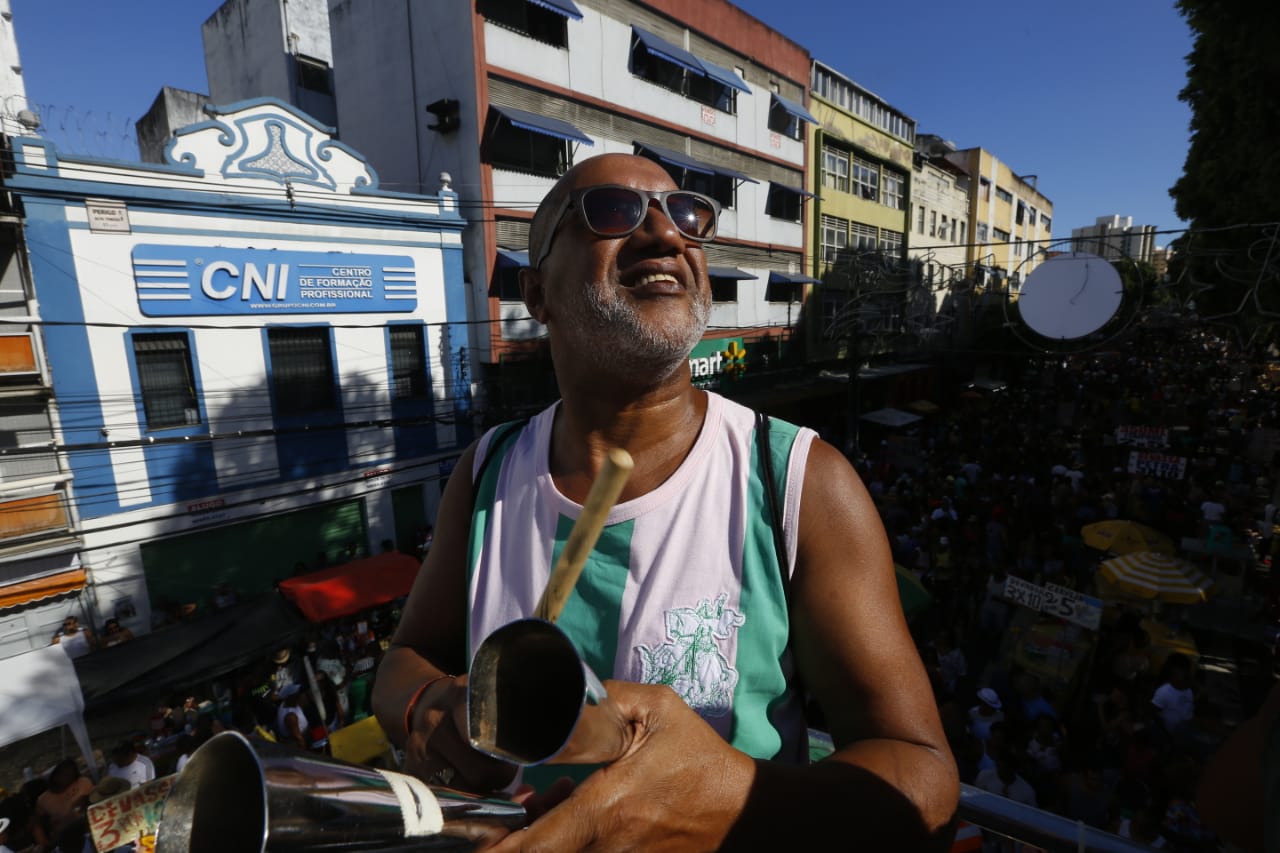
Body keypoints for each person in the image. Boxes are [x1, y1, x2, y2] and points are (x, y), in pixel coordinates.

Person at [373, 153, 958, 850]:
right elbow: (407, 656)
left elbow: (924, 775)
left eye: (686, 214)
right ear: (536, 292)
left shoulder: (798, 479)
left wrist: (732, 799)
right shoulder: (487, 472)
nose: (666, 234)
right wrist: (426, 706)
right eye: (611, 211)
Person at [31, 760, 92, 850]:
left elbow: (94, 800)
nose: (63, 777)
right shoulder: (43, 800)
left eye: (68, 775)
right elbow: (36, 823)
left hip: (86, 828)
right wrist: (44, 843)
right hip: (64, 838)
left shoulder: (83, 783)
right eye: (61, 774)